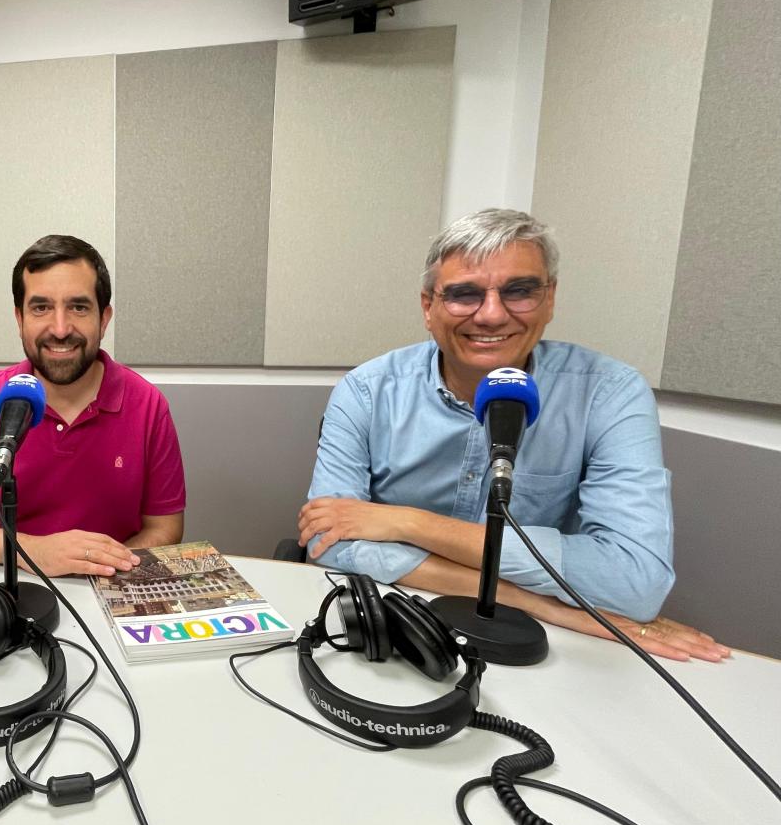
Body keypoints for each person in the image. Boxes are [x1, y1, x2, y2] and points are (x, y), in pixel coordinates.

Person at [297, 208, 727, 662]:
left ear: (550, 298)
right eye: (464, 294)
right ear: (429, 307)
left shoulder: (609, 394)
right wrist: (537, 602)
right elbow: (330, 542)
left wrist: (408, 522)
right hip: (399, 622)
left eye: (519, 291)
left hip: (537, 652)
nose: (492, 315)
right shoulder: (367, 390)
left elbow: (633, 583)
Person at [0, 234, 185, 577]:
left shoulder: (148, 406)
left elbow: (166, 529)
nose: (60, 329)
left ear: (104, 318)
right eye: (41, 307)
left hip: (106, 593)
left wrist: (94, 567)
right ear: (20, 319)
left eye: (78, 307)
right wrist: (31, 552)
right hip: (6, 591)